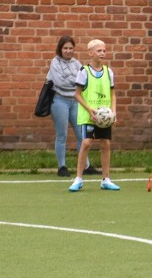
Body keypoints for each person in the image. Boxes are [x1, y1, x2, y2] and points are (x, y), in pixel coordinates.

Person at [68, 39, 120, 192]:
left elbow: (113, 95)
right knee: (86, 143)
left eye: (104, 50)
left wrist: (113, 112)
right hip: (89, 115)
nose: (102, 53)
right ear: (90, 53)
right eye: (99, 51)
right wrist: (90, 110)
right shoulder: (84, 71)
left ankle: (106, 179)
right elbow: (77, 94)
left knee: (106, 143)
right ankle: (78, 178)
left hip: (104, 116)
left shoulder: (109, 72)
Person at [46, 36, 99, 177]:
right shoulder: (55, 62)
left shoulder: (76, 63)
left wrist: (71, 79)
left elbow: (84, 80)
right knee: (62, 134)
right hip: (59, 101)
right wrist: (75, 80)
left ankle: (86, 166)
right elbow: (59, 82)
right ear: (60, 49)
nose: (68, 51)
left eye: (71, 48)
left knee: (81, 135)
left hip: (75, 101)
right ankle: (62, 166)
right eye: (65, 48)